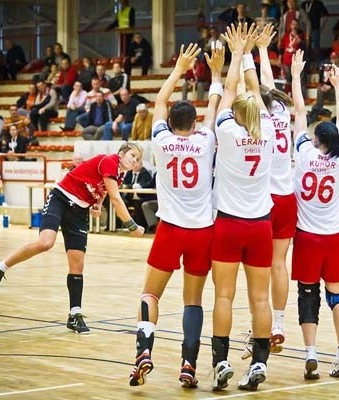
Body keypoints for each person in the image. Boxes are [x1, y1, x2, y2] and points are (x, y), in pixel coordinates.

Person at [128, 43, 222, 388]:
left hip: (170, 228)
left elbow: (159, 101)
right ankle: (189, 365)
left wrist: (180, 69)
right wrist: (215, 72)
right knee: (192, 301)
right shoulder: (206, 140)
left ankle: (144, 350)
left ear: (169, 123)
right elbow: (215, 104)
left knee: (149, 295)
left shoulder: (161, 140)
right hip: (202, 231)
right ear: (194, 124)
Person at [0, 143, 145, 334]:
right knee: (45, 242)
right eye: (132, 155)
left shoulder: (121, 174)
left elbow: (104, 190)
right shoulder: (110, 161)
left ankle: (74, 315)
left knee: (77, 264)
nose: (135, 160)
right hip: (61, 199)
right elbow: (116, 199)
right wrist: (132, 226)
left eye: (137, 159)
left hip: (79, 211)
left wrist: (97, 204)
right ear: (121, 153)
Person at [210, 23, 274, 392]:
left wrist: (235, 54)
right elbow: (254, 95)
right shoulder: (269, 131)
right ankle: (260, 362)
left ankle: (221, 361)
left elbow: (230, 89)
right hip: (261, 225)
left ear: (236, 114)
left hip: (230, 224)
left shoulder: (227, 131)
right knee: (260, 298)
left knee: (224, 296)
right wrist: (249, 53)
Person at [292, 57, 339, 379]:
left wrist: (296, 75)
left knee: (308, 295)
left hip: (306, 235)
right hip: (333, 234)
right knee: (337, 294)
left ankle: (311, 353)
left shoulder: (304, 153)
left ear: (316, 139)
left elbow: (299, 112)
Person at [254, 24, 295, 356]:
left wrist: (248, 53)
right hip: (288, 196)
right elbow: (268, 84)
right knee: (280, 263)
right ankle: (278, 323)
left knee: (258, 267)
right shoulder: (283, 112)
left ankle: (261, 326)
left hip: (263, 200)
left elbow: (260, 87)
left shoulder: (259, 118)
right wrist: (263, 50)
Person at [121, 162, 156, 230]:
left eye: (137, 163)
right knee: (122, 202)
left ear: (141, 165)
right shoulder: (129, 173)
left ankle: (140, 227)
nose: (134, 165)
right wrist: (129, 186)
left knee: (138, 204)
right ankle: (124, 225)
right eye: (133, 163)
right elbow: (124, 183)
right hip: (130, 197)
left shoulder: (145, 173)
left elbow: (144, 185)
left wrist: (130, 186)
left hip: (142, 197)